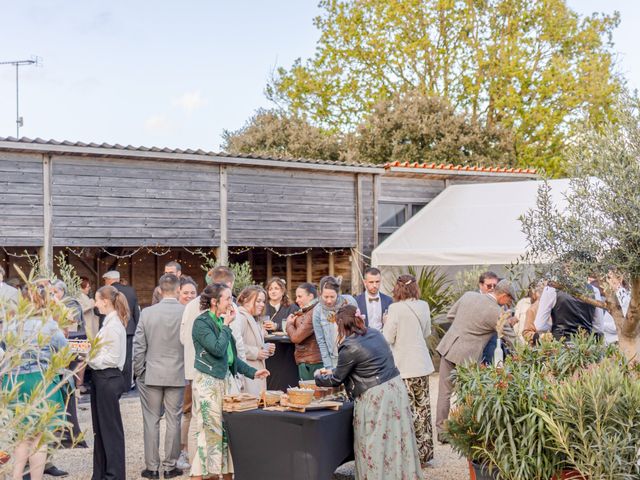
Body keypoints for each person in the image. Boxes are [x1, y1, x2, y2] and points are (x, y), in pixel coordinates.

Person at [315, 305, 423, 479]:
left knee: (374, 442)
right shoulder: (375, 333)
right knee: (397, 439)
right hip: (396, 388)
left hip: (375, 396)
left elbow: (336, 379)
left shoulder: (348, 346)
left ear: (342, 325)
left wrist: (318, 377)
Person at [190, 283, 270, 480]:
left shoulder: (220, 321)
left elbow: (230, 358)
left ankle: (223, 473)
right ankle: (205, 475)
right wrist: (226, 325)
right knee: (210, 431)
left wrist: (253, 372)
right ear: (215, 301)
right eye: (227, 298)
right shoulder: (202, 323)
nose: (231, 302)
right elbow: (216, 350)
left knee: (225, 432)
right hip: (208, 382)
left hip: (225, 381)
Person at [179, 266, 245, 472]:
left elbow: (183, 338)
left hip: (201, 368)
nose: (231, 299)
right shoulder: (208, 316)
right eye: (229, 293)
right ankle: (200, 468)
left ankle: (208, 466)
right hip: (205, 372)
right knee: (203, 421)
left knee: (198, 418)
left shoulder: (191, 306)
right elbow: (220, 346)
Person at [435, 279, 517, 442]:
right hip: (468, 357)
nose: (508, 304)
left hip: (449, 347)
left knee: (444, 393)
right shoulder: (497, 312)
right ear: (504, 296)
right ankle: (469, 431)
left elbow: (451, 315)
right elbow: (512, 339)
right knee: (470, 395)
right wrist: (522, 354)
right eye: (509, 300)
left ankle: (441, 432)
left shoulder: (468, 295)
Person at [2, 284, 67, 480]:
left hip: (16, 381)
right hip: (41, 380)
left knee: (22, 435)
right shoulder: (49, 325)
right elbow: (66, 351)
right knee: (40, 437)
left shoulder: (12, 324)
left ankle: (16, 476)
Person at [134, 274, 185, 479]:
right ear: (178, 289)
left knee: (150, 421)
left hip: (152, 373)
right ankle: (170, 466)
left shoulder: (147, 313)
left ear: (160, 290)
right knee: (174, 420)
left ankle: (152, 467)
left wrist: (139, 372)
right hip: (178, 372)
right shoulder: (186, 312)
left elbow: (139, 346)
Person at [382, 274, 435, 467]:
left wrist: (385, 320)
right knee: (423, 411)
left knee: (403, 411)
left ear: (397, 288)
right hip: (421, 364)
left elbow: (388, 338)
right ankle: (424, 455)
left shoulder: (394, 309)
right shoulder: (424, 306)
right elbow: (427, 332)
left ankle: (405, 455)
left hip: (403, 366)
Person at [89, 285, 129, 480]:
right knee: (101, 429)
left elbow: (111, 359)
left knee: (110, 429)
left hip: (108, 377)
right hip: (102, 378)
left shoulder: (113, 326)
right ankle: (102, 472)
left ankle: (114, 475)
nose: (95, 303)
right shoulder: (109, 323)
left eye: (97, 299)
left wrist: (88, 358)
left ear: (105, 301)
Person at [103, 270, 140, 391]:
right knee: (127, 358)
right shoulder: (131, 290)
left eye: (105, 280)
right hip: (129, 328)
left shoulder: (108, 291)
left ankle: (115, 385)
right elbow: (136, 311)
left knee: (112, 356)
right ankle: (126, 385)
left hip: (113, 328)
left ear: (109, 280)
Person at [233, 285, 273, 396]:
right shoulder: (241, 318)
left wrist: (266, 348)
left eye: (263, 301)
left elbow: (253, 343)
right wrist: (256, 353)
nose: (261, 304)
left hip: (256, 372)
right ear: (245, 300)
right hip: (247, 372)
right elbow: (234, 345)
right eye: (258, 301)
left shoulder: (254, 319)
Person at [312, 276, 357, 369]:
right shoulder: (317, 310)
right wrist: (328, 366)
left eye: (332, 297)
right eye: (326, 297)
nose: (329, 301)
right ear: (320, 293)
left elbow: (358, 329)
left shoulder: (349, 302)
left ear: (338, 293)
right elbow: (321, 341)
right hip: (334, 359)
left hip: (353, 355)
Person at [284, 282, 323, 380]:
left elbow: (296, 337)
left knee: (310, 394)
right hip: (310, 360)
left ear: (310, 296)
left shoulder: (312, 312)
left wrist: (289, 323)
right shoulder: (308, 310)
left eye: (300, 296)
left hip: (311, 362)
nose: (297, 300)